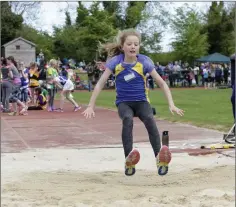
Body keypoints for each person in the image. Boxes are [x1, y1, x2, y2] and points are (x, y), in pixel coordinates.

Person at [82, 29, 184, 176]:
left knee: (149, 119)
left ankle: (160, 160)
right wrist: (91, 105)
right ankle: (129, 162)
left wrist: (171, 104)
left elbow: (162, 83)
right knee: (127, 119)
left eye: (136, 44)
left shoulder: (144, 62)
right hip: (124, 103)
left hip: (142, 102)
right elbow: (100, 83)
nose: (133, 47)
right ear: (122, 46)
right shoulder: (115, 62)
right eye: (129, 44)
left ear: (139, 47)